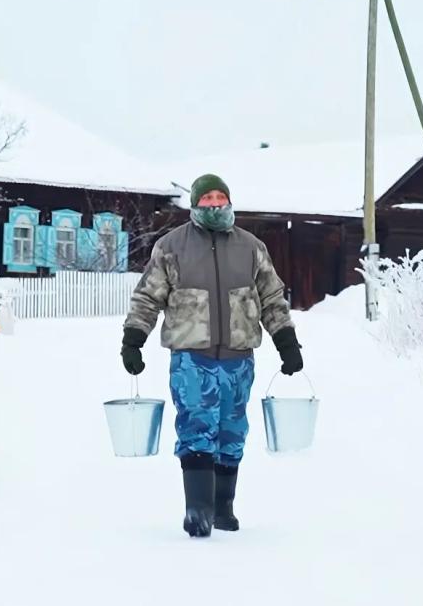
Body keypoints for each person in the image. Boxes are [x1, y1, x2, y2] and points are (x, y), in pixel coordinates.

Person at [120, 173, 303, 537]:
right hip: (192, 356)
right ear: (195, 204)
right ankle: (198, 510)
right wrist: (133, 339)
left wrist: (287, 343)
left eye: (221, 197)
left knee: (232, 431)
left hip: (239, 356)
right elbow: (148, 297)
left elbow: (271, 298)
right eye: (207, 199)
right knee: (196, 426)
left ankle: (223, 508)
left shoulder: (251, 247)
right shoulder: (172, 246)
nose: (215, 204)